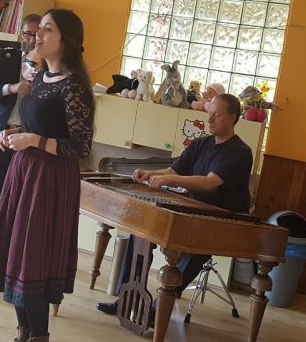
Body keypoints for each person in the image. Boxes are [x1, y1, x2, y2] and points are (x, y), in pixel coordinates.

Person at [0, 9, 94, 342]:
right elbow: (35, 125)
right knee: (15, 252)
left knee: (32, 258)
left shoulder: (74, 87)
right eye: (38, 29)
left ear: (67, 40)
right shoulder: (41, 76)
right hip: (24, 171)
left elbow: (80, 147)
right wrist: (13, 134)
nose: (37, 36)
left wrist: (33, 140)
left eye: (47, 29)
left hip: (50, 180)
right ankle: (24, 336)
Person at [96, 93, 253, 316]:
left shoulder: (240, 152)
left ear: (233, 118)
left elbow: (209, 183)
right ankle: (126, 298)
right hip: (191, 209)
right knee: (141, 233)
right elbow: (173, 170)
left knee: (198, 251)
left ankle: (157, 310)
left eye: (217, 115)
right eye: (209, 113)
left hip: (221, 219)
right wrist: (150, 174)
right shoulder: (201, 144)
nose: (209, 119)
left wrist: (169, 180)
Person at [0, 14, 41, 220]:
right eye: (28, 34)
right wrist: (11, 88)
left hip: (28, 135)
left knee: (21, 195)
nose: (32, 39)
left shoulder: (48, 64)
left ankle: (14, 236)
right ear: (20, 34)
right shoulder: (7, 57)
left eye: (37, 34)